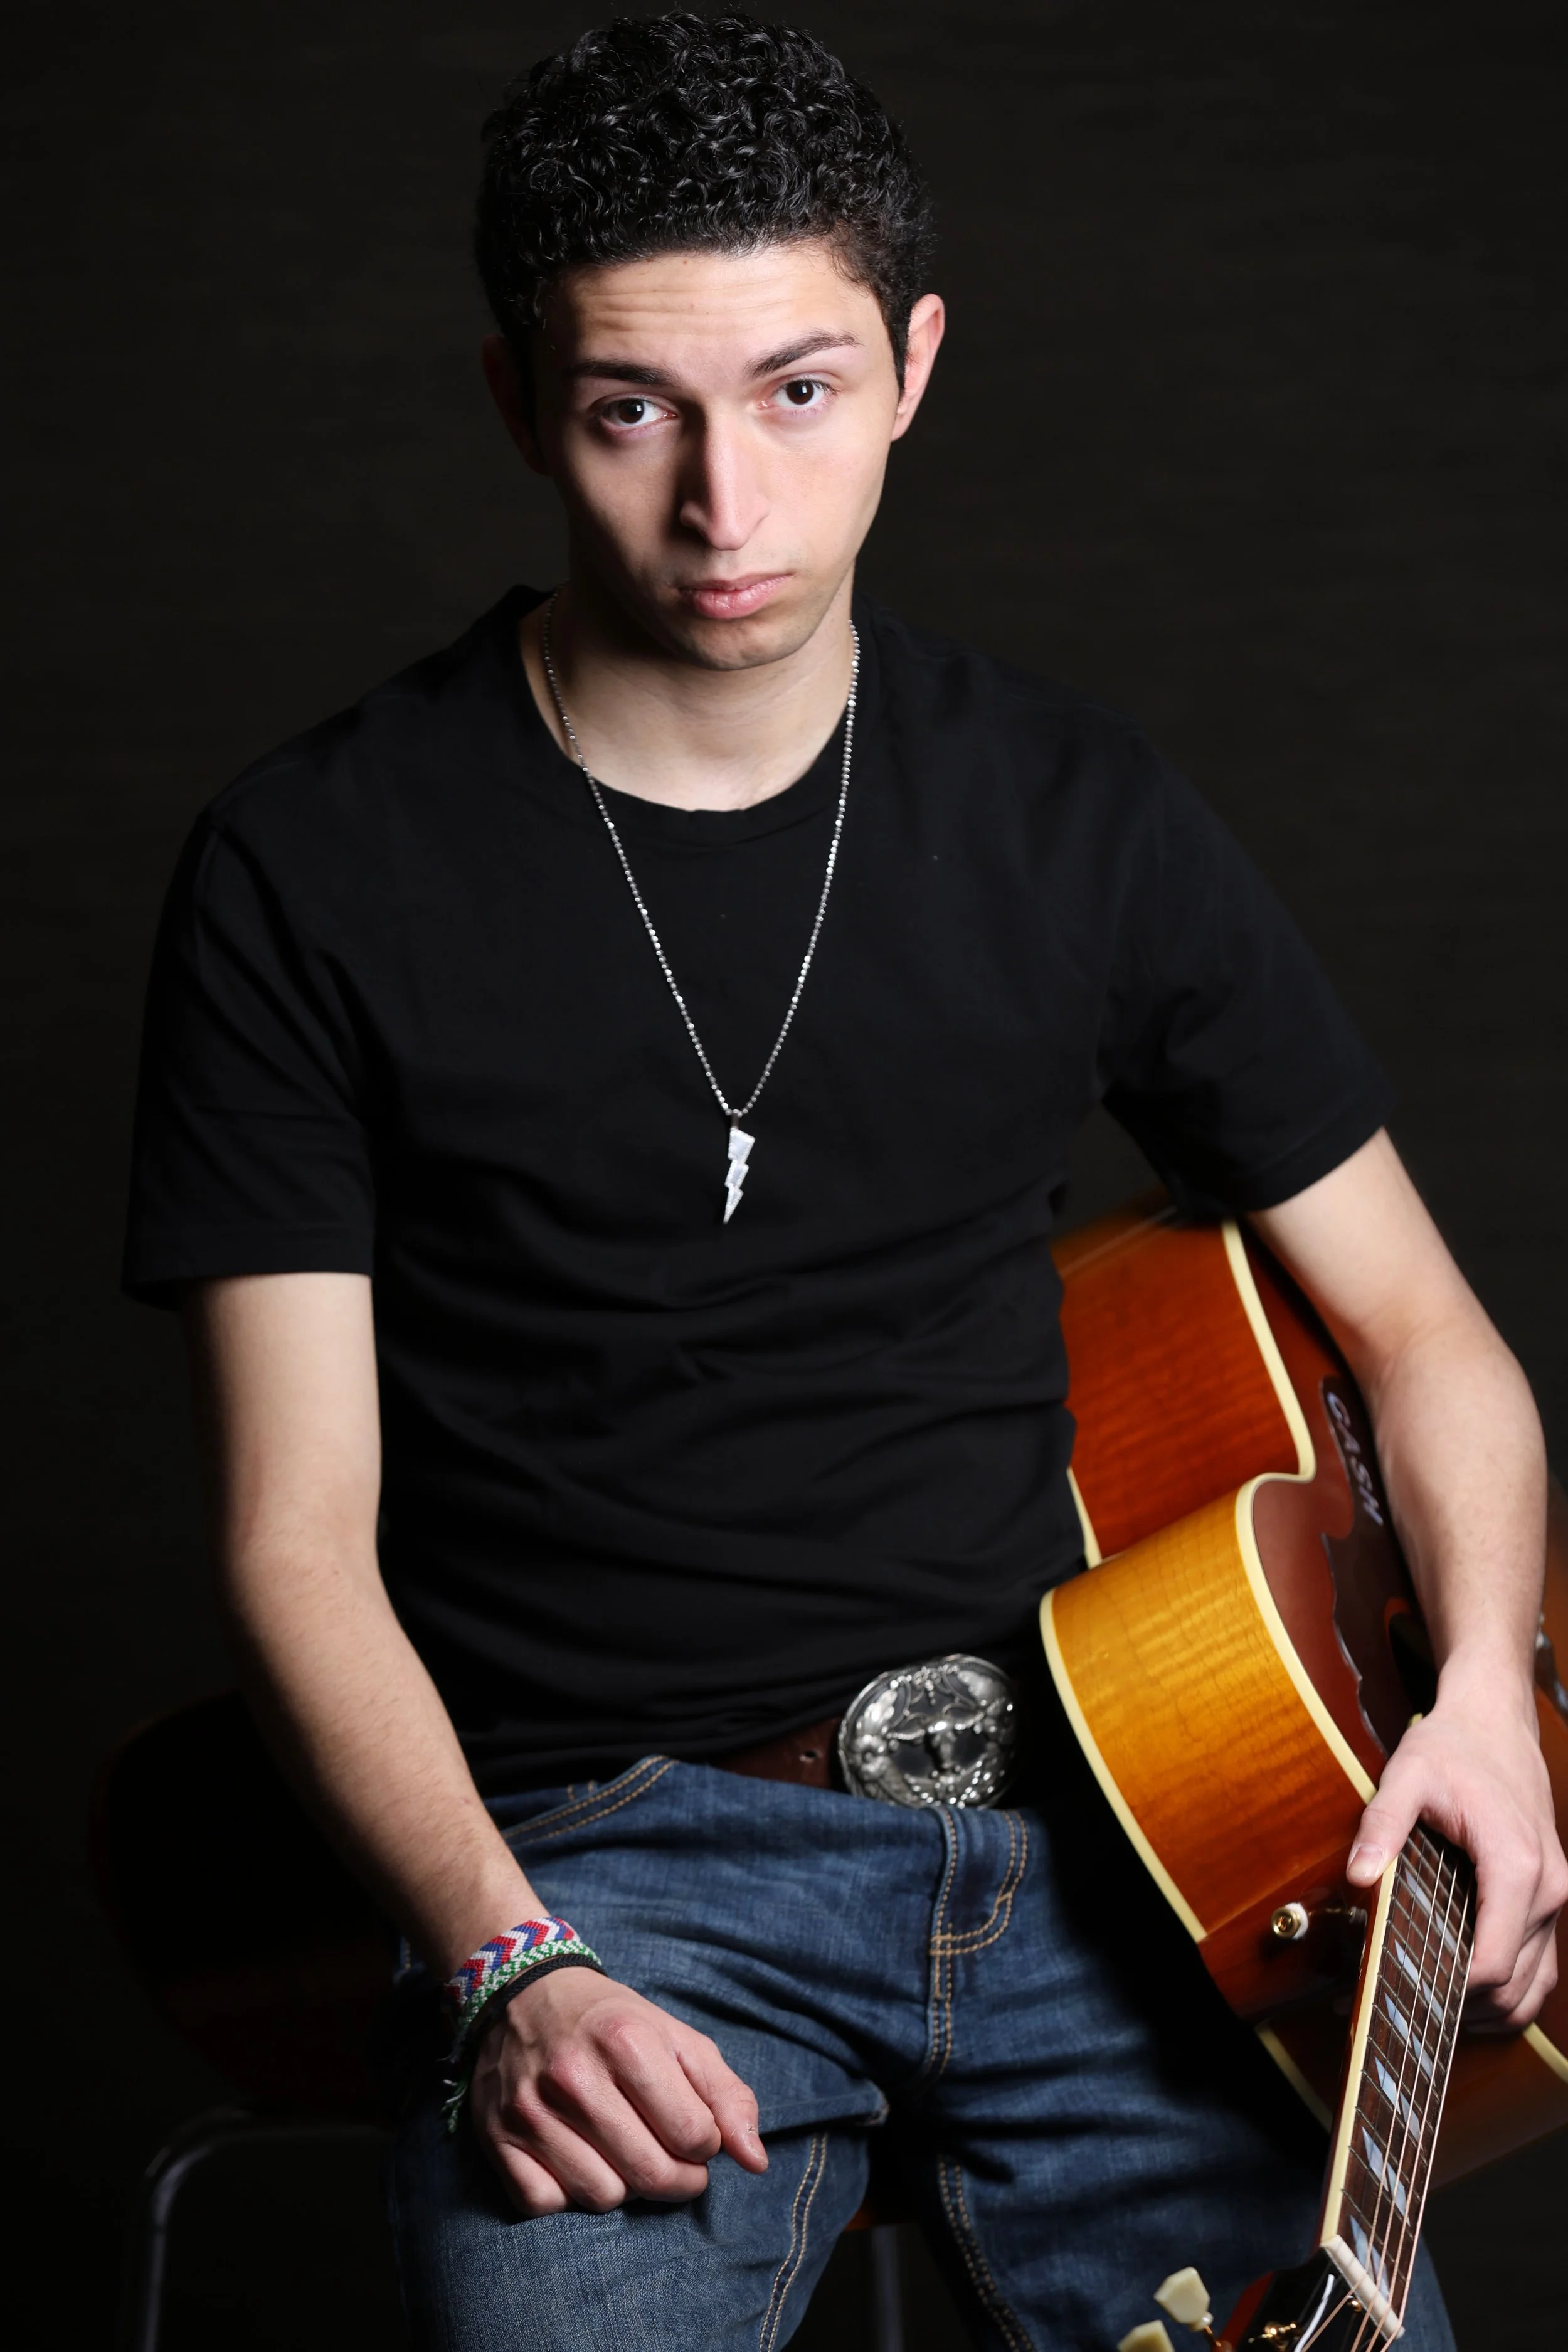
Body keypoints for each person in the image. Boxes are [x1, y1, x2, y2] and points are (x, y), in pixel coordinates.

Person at [123, 14, 1565, 2349]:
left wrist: (1481, 1694)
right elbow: (290, 1541)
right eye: (633, 411)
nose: (723, 505)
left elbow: (1430, 1340)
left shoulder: (1077, 807)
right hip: (605, 1871)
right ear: (518, 402)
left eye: (795, 392)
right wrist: (504, 1959)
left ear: (909, 367)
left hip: (1117, 1839)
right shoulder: (313, 865)